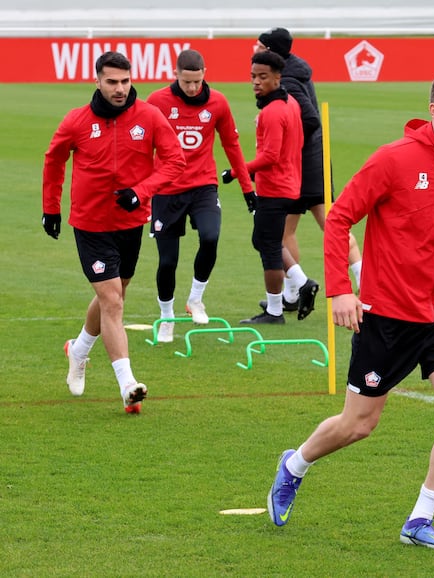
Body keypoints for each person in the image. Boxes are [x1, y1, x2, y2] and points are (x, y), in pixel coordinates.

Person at [266, 72, 434, 550]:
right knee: (360, 424)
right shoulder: (393, 159)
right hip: (387, 316)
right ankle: (294, 465)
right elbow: (338, 219)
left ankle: (420, 520)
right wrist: (340, 291)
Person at [42, 51, 186, 413]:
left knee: (114, 298)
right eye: (112, 82)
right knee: (113, 302)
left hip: (129, 225)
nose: (120, 89)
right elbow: (54, 159)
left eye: (125, 81)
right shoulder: (77, 121)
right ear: (98, 81)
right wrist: (50, 208)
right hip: (90, 225)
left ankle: (78, 351)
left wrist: (141, 192)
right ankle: (127, 385)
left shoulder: (149, 117)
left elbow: (174, 161)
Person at [146, 49, 253, 343]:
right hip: (166, 190)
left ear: (205, 73)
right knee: (168, 261)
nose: (192, 88)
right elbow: (142, 147)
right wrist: (142, 192)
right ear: (175, 75)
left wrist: (248, 189)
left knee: (210, 236)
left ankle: (195, 299)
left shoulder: (218, 102)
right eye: (186, 82)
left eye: (197, 81)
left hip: (203, 185)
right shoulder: (156, 102)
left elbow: (231, 144)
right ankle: (166, 317)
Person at [255, 27, 363, 311]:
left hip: (305, 164)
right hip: (303, 162)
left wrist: (288, 140)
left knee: (332, 226)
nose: (254, 50)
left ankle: (367, 284)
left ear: (270, 50)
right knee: (285, 231)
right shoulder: (293, 69)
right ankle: (293, 294)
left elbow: (311, 119)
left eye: (258, 46)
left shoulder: (288, 77)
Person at [226, 50, 317, 325]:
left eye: (262, 77)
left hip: (275, 188)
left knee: (267, 246)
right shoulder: (289, 103)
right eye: (253, 76)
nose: (256, 82)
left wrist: (237, 171)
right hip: (288, 184)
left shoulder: (273, 111)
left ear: (278, 77)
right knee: (265, 240)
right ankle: (302, 282)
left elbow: (270, 157)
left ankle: (275, 311)